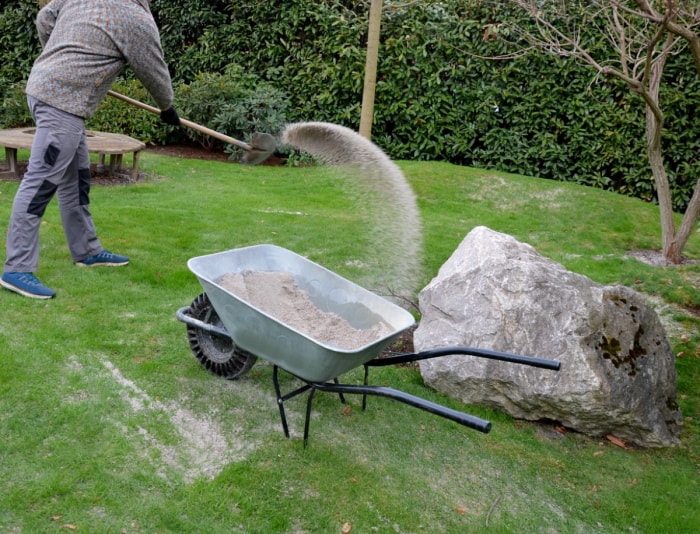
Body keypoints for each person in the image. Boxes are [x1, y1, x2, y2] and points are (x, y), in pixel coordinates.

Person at [1, 0, 180, 299]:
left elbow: (46, 17)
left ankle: (86, 250)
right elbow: (153, 69)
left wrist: (59, 53)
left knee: (77, 178)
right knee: (41, 183)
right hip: (62, 103)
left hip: (53, 94)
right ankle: (16, 268)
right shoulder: (135, 18)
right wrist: (167, 107)